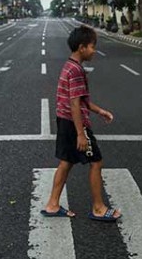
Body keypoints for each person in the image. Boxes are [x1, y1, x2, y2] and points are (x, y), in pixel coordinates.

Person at [42, 25, 121, 221]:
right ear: (81, 47)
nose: (94, 51)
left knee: (67, 162)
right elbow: (75, 104)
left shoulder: (70, 66)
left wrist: (99, 111)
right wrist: (80, 133)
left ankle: (52, 204)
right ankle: (99, 207)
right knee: (96, 161)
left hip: (64, 120)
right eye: (92, 47)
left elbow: (81, 99)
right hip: (74, 124)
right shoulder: (76, 71)